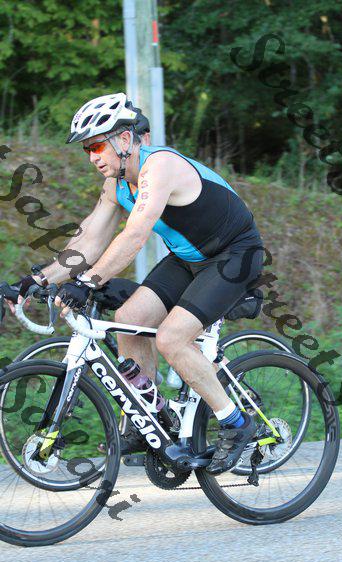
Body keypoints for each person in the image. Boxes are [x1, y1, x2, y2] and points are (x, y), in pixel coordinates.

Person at [11, 92, 264, 474]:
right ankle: (153, 418)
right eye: (87, 150)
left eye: (97, 146)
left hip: (234, 255)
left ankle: (236, 422)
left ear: (124, 139)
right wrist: (35, 280)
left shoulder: (159, 166)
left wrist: (88, 282)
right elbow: (90, 240)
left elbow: (135, 235)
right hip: (189, 258)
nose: (93, 157)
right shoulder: (116, 183)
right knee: (129, 320)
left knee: (171, 339)